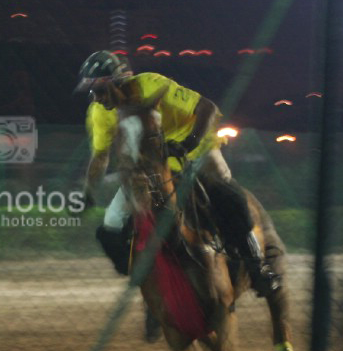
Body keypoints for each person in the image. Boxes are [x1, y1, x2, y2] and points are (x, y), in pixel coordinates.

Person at [76, 50, 281, 299]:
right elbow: (100, 156)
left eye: (99, 90)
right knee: (112, 225)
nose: (95, 98)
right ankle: (149, 286)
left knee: (231, 199)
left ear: (118, 82)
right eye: (91, 92)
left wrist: (188, 143)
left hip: (197, 153)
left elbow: (207, 108)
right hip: (154, 166)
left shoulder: (153, 85)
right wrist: (88, 192)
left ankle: (256, 268)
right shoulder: (99, 113)